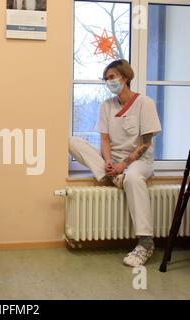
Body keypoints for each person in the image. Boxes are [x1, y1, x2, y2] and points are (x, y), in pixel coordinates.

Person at [69, 59, 162, 267]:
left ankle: (145, 243)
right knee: (73, 142)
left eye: (112, 77)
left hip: (139, 161)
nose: (108, 81)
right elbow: (104, 139)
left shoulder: (145, 103)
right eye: (106, 79)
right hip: (115, 163)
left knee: (133, 177)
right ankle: (114, 176)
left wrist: (124, 164)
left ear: (125, 77)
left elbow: (146, 142)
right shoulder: (107, 106)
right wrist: (109, 161)